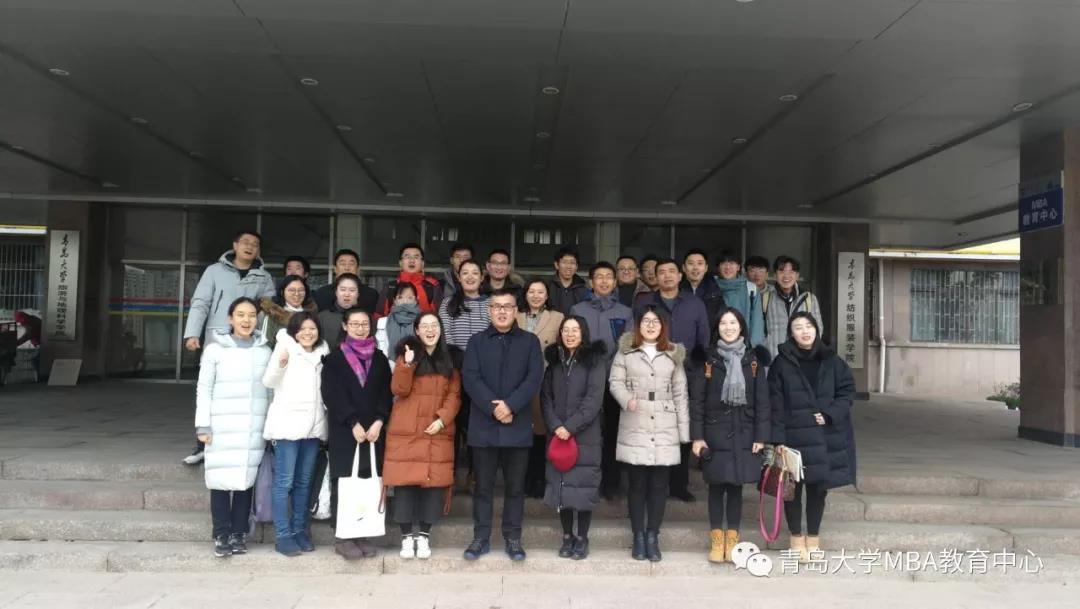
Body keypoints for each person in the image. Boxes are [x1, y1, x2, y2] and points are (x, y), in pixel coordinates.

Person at [461, 289, 544, 562]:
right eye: (497, 306)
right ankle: (480, 538)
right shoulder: (476, 342)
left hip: (517, 424)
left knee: (515, 488)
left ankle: (513, 538)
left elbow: (534, 378)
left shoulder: (530, 342)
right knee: (483, 488)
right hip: (484, 425)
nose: (502, 311)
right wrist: (494, 408)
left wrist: (510, 406)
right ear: (489, 311)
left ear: (516, 310)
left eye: (507, 306)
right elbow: (470, 378)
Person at [182, 230, 276, 466]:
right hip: (218, 338)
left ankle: (242, 445)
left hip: (249, 341)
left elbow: (268, 309)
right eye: (245, 242)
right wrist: (192, 332)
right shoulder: (214, 271)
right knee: (211, 390)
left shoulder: (263, 277)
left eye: (255, 244)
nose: (250, 247)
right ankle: (202, 444)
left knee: (243, 393)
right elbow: (201, 303)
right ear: (235, 245)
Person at [768, 312, 855, 563]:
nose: (804, 331)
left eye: (809, 326)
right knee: (792, 490)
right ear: (791, 333)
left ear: (817, 329)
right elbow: (774, 404)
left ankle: (813, 538)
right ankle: (796, 539)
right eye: (798, 327)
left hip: (824, 437)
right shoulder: (781, 363)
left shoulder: (832, 361)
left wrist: (829, 414)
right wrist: (777, 440)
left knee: (818, 490)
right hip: (793, 436)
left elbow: (847, 392)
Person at [689, 307, 770, 563]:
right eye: (723, 323)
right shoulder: (708, 360)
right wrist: (697, 436)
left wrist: (761, 436)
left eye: (733, 322)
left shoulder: (753, 360)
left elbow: (762, 402)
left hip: (745, 432)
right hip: (715, 432)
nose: (728, 327)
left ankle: (732, 539)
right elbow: (697, 401)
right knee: (715, 486)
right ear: (717, 328)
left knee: (736, 487)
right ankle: (717, 540)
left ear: (741, 326)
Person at [609, 306, 689, 562]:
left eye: (656, 321)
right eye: (646, 321)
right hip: (636, 419)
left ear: (663, 325)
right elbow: (615, 382)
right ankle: (638, 536)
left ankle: (653, 535)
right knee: (637, 485)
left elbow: (680, 393)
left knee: (658, 485)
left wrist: (684, 433)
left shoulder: (673, 353)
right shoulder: (626, 352)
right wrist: (626, 399)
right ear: (638, 325)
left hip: (665, 422)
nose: (651, 325)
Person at [193, 297, 271, 558]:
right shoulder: (215, 350)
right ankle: (221, 533)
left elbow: (269, 392)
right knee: (219, 481)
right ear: (230, 318)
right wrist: (203, 425)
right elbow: (204, 389)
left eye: (251, 315)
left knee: (245, 482)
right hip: (221, 426)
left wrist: (269, 425)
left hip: (252, 426)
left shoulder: (264, 351)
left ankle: (239, 533)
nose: (246, 320)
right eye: (240, 314)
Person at [383, 313, 462, 560]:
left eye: (434, 325)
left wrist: (442, 419)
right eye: (424, 326)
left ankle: (424, 536)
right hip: (407, 431)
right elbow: (398, 389)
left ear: (440, 329)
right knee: (405, 484)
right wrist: (406, 365)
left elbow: (454, 395)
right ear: (416, 330)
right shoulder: (408, 354)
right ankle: (407, 537)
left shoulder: (450, 359)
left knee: (433, 485)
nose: (430, 330)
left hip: (437, 430)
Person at [320, 307, 393, 560]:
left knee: (368, 482)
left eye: (364, 324)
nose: (360, 328)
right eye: (355, 324)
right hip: (345, 430)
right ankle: (343, 536)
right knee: (344, 481)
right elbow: (332, 394)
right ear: (345, 326)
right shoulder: (334, 359)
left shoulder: (380, 358)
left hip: (374, 431)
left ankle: (363, 533)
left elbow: (386, 393)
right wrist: (352, 422)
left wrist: (379, 421)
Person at [635, 258, 708, 502]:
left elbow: (703, 341)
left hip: (686, 377)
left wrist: (695, 372)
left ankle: (679, 485)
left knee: (681, 430)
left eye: (671, 271)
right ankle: (655, 484)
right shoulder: (645, 303)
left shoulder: (695, 304)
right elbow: (636, 337)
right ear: (655, 277)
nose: (666, 276)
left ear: (680, 275)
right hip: (652, 376)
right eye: (661, 272)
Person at [261, 311, 330, 557]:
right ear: (294, 331)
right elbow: (269, 381)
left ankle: (300, 530)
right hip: (287, 427)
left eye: (312, 328)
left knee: (303, 482)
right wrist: (280, 364)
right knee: (284, 482)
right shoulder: (285, 347)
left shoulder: (323, 351)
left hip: (313, 427)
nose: (308, 333)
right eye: (303, 329)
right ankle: (283, 535)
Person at [541, 316, 606, 561]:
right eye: (565, 330)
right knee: (562, 487)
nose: (570, 334)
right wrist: (556, 425)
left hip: (584, 436)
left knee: (583, 488)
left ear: (583, 333)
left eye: (575, 330)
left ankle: (582, 537)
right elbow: (546, 398)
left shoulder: (594, 361)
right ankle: (567, 536)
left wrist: (569, 427)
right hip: (558, 434)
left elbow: (593, 400)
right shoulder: (554, 363)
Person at [570, 262, 632, 499]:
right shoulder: (578, 310)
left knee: (613, 431)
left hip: (614, 381)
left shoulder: (625, 312)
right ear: (591, 282)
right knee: (585, 431)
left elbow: (628, 347)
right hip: (584, 380)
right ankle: (585, 481)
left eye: (609, 277)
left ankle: (611, 484)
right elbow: (572, 341)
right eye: (599, 277)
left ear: (615, 282)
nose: (604, 281)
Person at [516, 279, 564, 499]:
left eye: (540, 292)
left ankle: (537, 479)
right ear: (525, 294)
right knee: (520, 433)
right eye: (531, 291)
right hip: (517, 381)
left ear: (547, 296)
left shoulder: (557, 317)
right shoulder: (515, 315)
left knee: (539, 433)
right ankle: (521, 480)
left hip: (544, 381)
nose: (536, 296)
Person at [763, 256, 824, 359]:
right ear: (775, 275)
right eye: (781, 271)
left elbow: (818, 329)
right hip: (774, 357)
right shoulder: (766, 297)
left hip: (802, 358)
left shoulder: (809, 298)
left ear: (797, 275)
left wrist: (809, 353)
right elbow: (760, 330)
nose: (786, 275)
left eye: (791, 271)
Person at [713, 251, 764, 348]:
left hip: (743, 348)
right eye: (724, 263)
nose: (728, 267)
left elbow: (757, 323)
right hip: (715, 347)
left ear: (738, 267)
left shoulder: (751, 289)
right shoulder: (710, 287)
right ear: (718, 267)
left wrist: (755, 349)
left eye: (732, 263)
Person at [379, 243, 443, 316]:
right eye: (407, 257)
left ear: (422, 264)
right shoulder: (390, 287)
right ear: (400, 263)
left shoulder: (432, 285)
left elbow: (440, 315)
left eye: (416, 257)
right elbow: (379, 316)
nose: (412, 260)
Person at [438, 260, 491, 349]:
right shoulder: (447, 302)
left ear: (481, 278)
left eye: (475, 273)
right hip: (455, 355)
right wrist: (456, 354)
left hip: (485, 355)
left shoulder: (491, 303)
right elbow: (444, 332)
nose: (470, 277)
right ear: (459, 278)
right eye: (465, 273)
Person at [313, 249, 379, 314]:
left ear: (358, 269)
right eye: (342, 264)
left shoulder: (371, 294)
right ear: (335, 269)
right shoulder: (321, 293)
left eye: (351, 264)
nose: (347, 268)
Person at [260, 275, 317, 349]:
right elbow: (266, 346)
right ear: (282, 292)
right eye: (291, 290)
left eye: (301, 290)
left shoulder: (312, 314)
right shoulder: (273, 314)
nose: (297, 294)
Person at [376, 282, 420, 369]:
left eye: (410, 298)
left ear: (416, 299)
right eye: (400, 297)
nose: (405, 301)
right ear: (394, 300)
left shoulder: (422, 322)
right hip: (389, 369)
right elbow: (380, 350)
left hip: (418, 370)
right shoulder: (383, 322)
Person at [680, 249, 726, 328]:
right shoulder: (677, 290)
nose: (695, 267)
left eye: (700, 263)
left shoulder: (715, 291)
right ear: (684, 267)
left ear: (706, 268)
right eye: (691, 263)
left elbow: (721, 320)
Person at [317, 273, 362, 348]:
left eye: (352, 290)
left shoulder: (365, 318)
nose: (347, 294)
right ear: (336, 292)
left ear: (358, 294)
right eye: (343, 290)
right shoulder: (322, 317)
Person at [547, 247, 589, 315]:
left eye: (572, 263)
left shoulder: (584, 289)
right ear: (556, 265)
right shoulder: (547, 286)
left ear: (576, 266)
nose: (568, 266)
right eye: (564, 262)